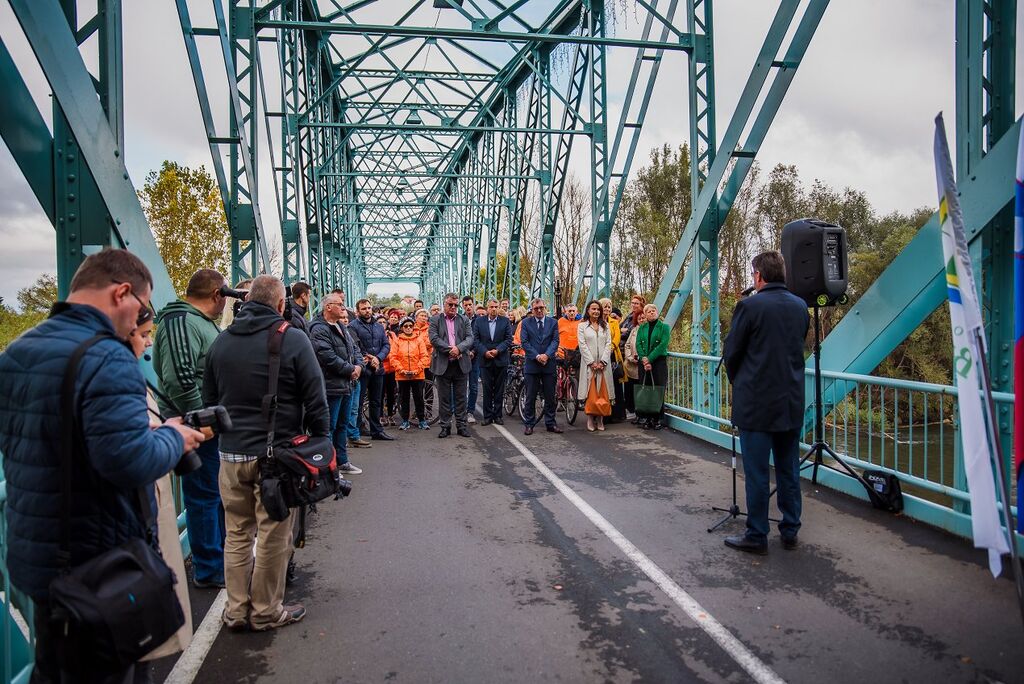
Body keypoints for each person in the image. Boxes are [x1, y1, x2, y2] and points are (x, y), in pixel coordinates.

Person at [0, 249, 204, 681]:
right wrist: (173, 435)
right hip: (100, 568)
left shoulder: (19, 351)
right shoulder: (106, 357)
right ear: (122, 292)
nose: (141, 324)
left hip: (37, 556)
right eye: (143, 308)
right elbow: (130, 462)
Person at [203, 275, 329, 630]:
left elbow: (209, 402)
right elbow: (315, 398)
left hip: (230, 455)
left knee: (238, 534)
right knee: (274, 532)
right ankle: (264, 611)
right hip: (275, 458)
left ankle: (236, 610)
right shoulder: (291, 339)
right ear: (279, 304)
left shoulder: (221, 342)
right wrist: (322, 443)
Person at [722, 251, 810, 555]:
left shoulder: (749, 306)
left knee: (758, 473)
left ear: (759, 275)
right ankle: (790, 530)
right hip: (790, 401)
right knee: (789, 470)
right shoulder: (801, 307)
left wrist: (741, 381)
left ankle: (757, 534)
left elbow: (731, 352)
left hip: (756, 404)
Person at [152, 268, 228, 589]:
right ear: (217, 296)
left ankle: (218, 560)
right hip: (195, 428)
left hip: (206, 425)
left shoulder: (198, 323)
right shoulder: (180, 321)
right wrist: (204, 420)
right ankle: (209, 568)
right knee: (203, 497)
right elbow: (181, 380)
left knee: (213, 494)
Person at [131, 312, 193, 664]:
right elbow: (128, 456)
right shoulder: (106, 371)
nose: (149, 342)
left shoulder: (26, 356)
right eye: (143, 333)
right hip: (113, 552)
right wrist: (173, 437)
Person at [308, 292, 364, 475]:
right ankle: (328, 466)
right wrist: (351, 369)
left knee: (342, 425)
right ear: (328, 307)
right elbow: (326, 357)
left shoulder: (340, 325)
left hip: (345, 384)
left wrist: (359, 366)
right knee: (329, 427)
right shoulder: (318, 328)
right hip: (331, 385)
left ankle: (342, 461)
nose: (343, 307)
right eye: (340, 304)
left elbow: (354, 348)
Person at [429, 293, 475, 437]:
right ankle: (445, 426)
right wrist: (451, 350)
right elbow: (434, 338)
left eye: (456, 305)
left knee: (461, 397)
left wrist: (459, 349)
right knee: (444, 398)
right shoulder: (435, 320)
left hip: (460, 364)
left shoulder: (464, 319)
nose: (453, 307)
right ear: (444, 304)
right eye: (450, 305)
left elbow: (470, 338)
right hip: (443, 363)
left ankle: (461, 426)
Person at [349, 298, 395, 441]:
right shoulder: (352, 326)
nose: (367, 311)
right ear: (358, 311)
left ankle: (377, 431)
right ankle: (356, 432)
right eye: (364, 309)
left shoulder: (379, 326)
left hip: (378, 369)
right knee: (358, 402)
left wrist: (378, 358)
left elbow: (386, 345)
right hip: (363, 370)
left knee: (376, 401)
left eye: (369, 308)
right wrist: (369, 358)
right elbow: (354, 346)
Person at [520, 298, 562, 435]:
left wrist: (546, 355)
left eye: (541, 308)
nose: (539, 310)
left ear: (545, 308)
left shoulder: (553, 322)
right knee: (531, 396)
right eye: (536, 308)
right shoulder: (526, 323)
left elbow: (555, 341)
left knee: (550, 396)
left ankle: (550, 423)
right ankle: (529, 424)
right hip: (532, 365)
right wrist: (537, 356)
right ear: (532, 310)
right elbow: (525, 342)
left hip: (548, 364)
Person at [472, 298, 514, 426]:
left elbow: (508, 339)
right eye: (491, 307)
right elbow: (476, 339)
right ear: (487, 308)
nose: (494, 309)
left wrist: (497, 350)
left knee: (499, 389)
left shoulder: (505, 321)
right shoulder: (479, 321)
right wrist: (485, 352)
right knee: (487, 388)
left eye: (496, 307)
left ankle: (498, 415)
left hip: (500, 359)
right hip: (485, 359)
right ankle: (488, 416)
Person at [577, 300, 614, 432]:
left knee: (603, 392)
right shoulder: (582, 326)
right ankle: (590, 418)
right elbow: (582, 345)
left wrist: (603, 361)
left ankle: (600, 419)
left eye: (598, 309)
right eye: (593, 309)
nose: (596, 311)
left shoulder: (606, 326)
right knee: (590, 391)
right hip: (589, 364)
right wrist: (591, 362)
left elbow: (609, 344)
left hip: (604, 365)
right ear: (588, 310)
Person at [338, 307, 371, 449]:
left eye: (346, 317)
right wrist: (352, 369)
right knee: (343, 411)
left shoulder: (349, 333)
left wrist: (359, 366)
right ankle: (342, 441)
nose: (345, 320)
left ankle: (353, 436)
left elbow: (357, 351)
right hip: (344, 377)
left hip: (354, 376)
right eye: (342, 317)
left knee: (353, 409)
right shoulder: (331, 332)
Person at [634, 303, 671, 429]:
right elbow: (638, 343)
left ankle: (658, 419)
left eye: (653, 310)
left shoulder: (664, 327)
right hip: (644, 363)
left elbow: (663, 344)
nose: (651, 312)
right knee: (647, 389)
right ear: (645, 314)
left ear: (657, 312)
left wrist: (649, 359)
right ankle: (648, 418)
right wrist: (644, 359)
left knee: (658, 389)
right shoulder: (642, 328)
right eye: (648, 311)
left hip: (658, 362)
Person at [392, 317, 431, 430]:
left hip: (417, 374)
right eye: (405, 326)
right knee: (404, 398)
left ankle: (422, 420)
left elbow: (424, 356)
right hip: (402, 375)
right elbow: (393, 357)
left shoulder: (419, 340)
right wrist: (401, 370)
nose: (408, 328)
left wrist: (417, 370)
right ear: (401, 328)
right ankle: (405, 420)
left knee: (419, 397)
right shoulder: (397, 341)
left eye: (410, 326)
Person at [601, 297, 628, 423]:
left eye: (609, 306)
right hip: (599, 355)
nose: (607, 309)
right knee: (603, 385)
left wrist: (610, 347)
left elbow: (617, 337)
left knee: (616, 384)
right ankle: (604, 414)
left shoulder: (614, 322)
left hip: (612, 355)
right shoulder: (596, 321)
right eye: (605, 306)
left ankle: (617, 414)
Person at [620, 294, 646, 415]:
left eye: (636, 303)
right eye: (633, 303)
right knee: (629, 386)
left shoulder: (642, 320)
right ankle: (631, 410)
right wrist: (630, 357)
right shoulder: (629, 317)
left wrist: (622, 331)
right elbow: (627, 342)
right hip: (628, 359)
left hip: (641, 362)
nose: (634, 305)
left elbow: (624, 333)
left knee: (640, 387)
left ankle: (640, 411)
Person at [461, 295, 480, 423]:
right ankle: (459, 411)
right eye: (466, 305)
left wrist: (473, 351)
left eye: (470, 305)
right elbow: (457, 337)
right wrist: (466, 351)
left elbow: (480, 338)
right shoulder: (459, 319)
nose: (468, 307)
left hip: (476, 357)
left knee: (473, 386)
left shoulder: (479, 320)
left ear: (473, 305)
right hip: (462, 356)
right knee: (460, 386)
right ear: (463, 306)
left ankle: (470, 411)